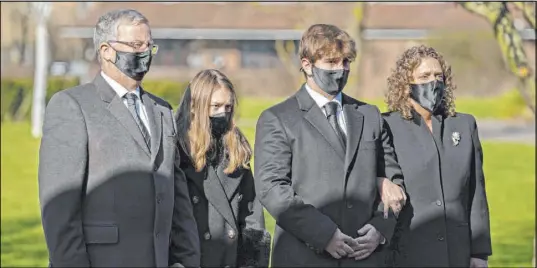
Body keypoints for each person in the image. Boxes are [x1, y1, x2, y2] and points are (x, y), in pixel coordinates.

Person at [38, 9, 200, 267]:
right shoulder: (72, 105)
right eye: (136, 45)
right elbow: (59, 208)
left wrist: (186, 260)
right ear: (106, 51)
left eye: (149, 45)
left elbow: (177, 195)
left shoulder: (163, 110)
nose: (145, 53)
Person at [254, 24, 406, 267]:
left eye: (346, 62)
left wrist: (380, 228)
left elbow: (393, 181)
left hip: (365, 258)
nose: (341, 69)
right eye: (332, 62)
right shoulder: (278, 118)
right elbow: (271, 188)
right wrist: (324, 235)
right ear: (307, 64)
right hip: (305, 256)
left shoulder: (370, 115)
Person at [382, 45, 492, 267]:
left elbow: (476, 192)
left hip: (457, 253)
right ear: (405, 85)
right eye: (424, 76)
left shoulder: (463, 124)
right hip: (408, 252)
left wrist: (479, 253)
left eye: (438, 76)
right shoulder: (386, 126)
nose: (433, 82)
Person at [174, 69, 271, 267]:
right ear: (194, 106)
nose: (223, 113)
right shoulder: (177, 152)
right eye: (216, 106)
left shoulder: (236, 150)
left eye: (228, 107)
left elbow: (252, 219)